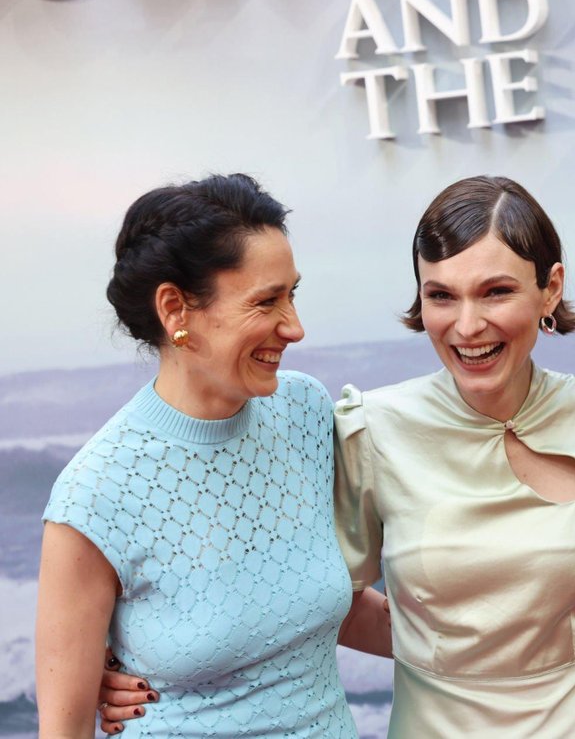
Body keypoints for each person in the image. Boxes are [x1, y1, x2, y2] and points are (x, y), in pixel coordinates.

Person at [332, 175, 575, 737]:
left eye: (495, 291)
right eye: (441, 295)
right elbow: (335, 606)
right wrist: (448, 652)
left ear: (550, 290)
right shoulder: (369, 429)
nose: (467, 326)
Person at [36, 173, 390, 737]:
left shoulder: (302, 410)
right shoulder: (96, 492)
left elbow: (321, 607)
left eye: (292, 293)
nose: (295, 327)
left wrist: (513, 634)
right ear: (176, 309)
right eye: (266, 301)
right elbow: (64, 728)